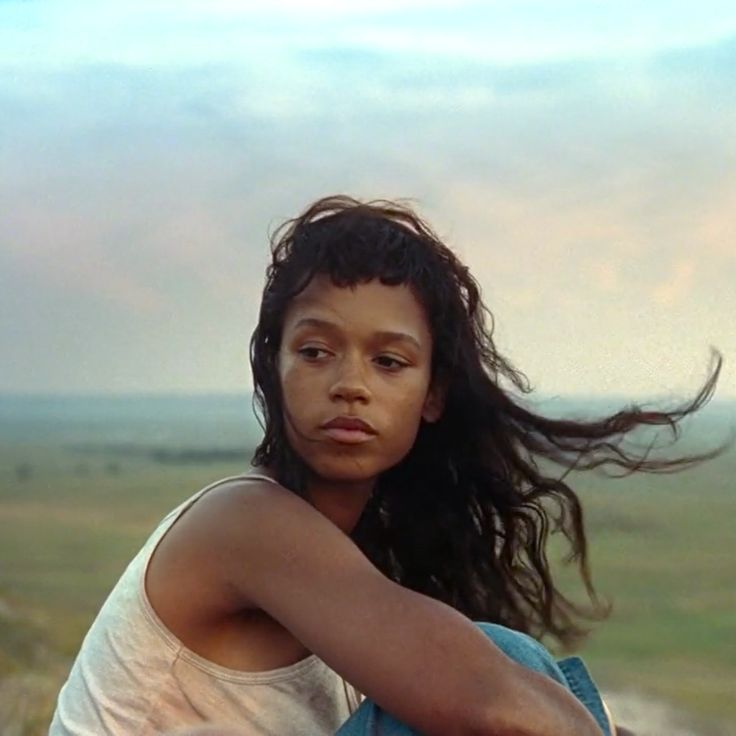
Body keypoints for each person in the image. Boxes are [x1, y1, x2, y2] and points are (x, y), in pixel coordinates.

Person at [49, 195, 733, 736]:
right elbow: (494, 706)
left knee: (489, 658)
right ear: (273, 368)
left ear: (433, 394)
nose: (351, 384)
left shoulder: (356, 568)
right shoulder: (245, 522)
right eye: (315, 352)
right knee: (500, 663)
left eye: (389, 361)